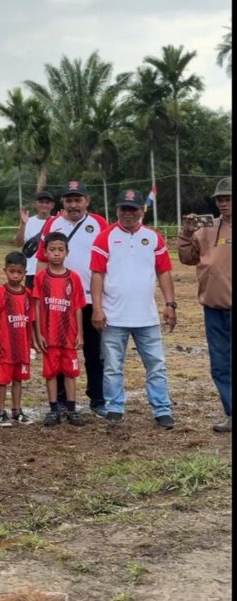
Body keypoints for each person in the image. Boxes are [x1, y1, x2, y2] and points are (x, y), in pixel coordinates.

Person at [90, 189, 177, 429]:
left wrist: (170, 304)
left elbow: (163, 272)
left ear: (141, 210)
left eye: (133, 209)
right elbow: (97, 275)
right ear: (117, 210)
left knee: (156, 365)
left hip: (146, 317)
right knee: (112, 366)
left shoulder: (154, 238)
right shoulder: (104, 237)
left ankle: (162, 408)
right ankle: (115, 407)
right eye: (123, 209)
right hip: (114, 316)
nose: (128, 213)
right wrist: (97, 308)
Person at [36, 181, 108, 416]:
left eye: (78, 199)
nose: (74, 204)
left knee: (94, 352)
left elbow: (110, 261)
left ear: (87, 201)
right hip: (59, 303)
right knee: (57, 349)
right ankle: (60, 401)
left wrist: (103, 301)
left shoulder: (99, 223)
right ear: (62, 203)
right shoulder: (52, 224)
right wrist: (39, 296)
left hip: (91, 300)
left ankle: (97, 398)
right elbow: (42, 260)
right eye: (69, 200)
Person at [178, 177, 232, 433]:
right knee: (220, 363)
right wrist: (187, 233)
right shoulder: (207, 228)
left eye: (228, 198)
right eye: (220, 199)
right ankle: (231, 412)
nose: (223, 203)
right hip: (214, 308)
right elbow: (187, 258)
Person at [33, 233, 86, 427]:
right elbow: (37, 306)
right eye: (52, 250)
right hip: (49, 335)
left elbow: (78, 307)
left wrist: (79, 333)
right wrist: (38, 333)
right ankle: (54, 409)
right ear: (45, 252)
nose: (56, 254)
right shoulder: (40, 278)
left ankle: (71, 409)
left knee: (71, 372)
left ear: (67, 252)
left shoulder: (74, 278)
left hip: (69, 336)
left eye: (60, 250)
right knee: (51, 373)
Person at [0, 251, 35, 426]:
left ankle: (17, 410)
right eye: (12, 271)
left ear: (25, 272)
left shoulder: (27, 294)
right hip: (6, 345)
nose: (15, 275)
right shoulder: (1, 293)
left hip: (22, 346)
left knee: (18, 379)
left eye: (19, 272)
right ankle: (1, 412)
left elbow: (30, 320)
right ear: (5, 270)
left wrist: (31, 342)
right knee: (3, 381)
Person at [14, 191, 55, 289]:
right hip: (31, 271)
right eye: (41, 202)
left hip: (53, 270)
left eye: (47, 202)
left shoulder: (57, 221)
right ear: (36, 204)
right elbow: (18, 243)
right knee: (32, 302)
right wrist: (23, 224)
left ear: (52, 205)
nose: (44, 205)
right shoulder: (29, 222)